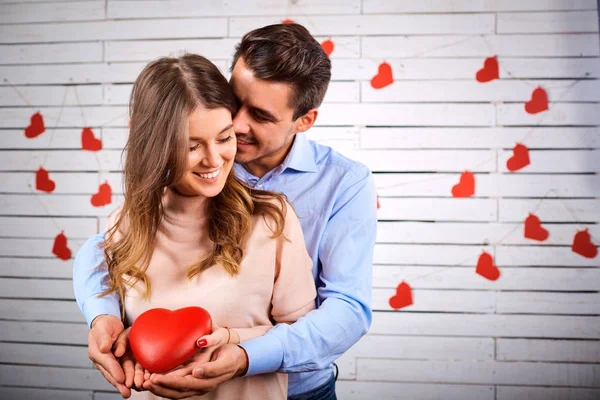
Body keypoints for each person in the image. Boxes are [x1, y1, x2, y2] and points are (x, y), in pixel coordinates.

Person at [73, 23, 377, 400]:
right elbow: (106, 247)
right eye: (236, 102)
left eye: (261, 116)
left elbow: (348, 310)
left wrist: (245, 356)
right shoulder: (203, 159)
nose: (236, 124)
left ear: (304, 121)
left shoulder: (343, 183)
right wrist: (103, 314)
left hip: (295, 387)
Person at [91, 52, 318, 399]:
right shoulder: (122, 226)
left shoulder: (271, 220)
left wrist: (235, 348)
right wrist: (118, 346)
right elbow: (117, 325)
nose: (214, 160)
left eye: (225, 138)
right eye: (191, 145)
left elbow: (304, 335)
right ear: (156, 145)